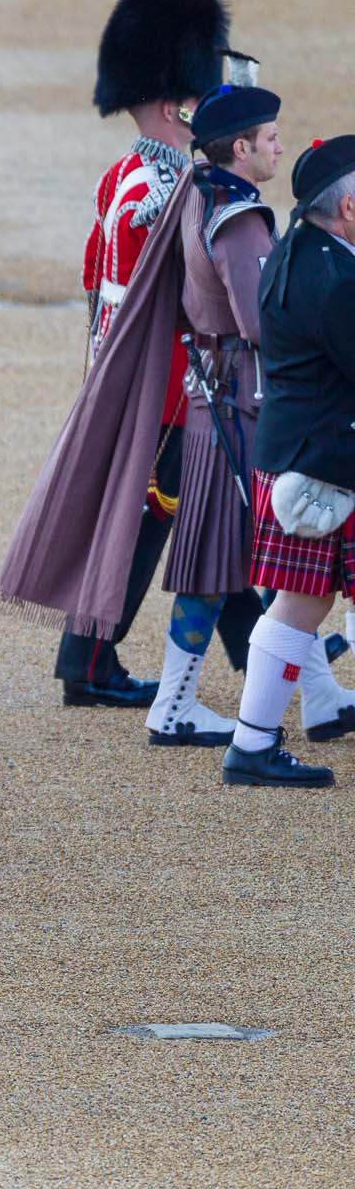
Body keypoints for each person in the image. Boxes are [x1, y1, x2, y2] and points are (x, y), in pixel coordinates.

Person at [147, 84, 355, 744]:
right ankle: (175, 706)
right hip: (237, 402)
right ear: (240, 148)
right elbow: (264, 323)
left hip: (237, 399)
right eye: (268, 137)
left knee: (293, 580)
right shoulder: (238, 219)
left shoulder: (208, 195)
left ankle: (317, 702)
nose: (277, 145)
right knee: (220, 566)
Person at [58, 0, 235, 710]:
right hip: (160, 384)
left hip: (140, 376)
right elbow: (157, 297)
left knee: (180, 519)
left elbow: (91, 276)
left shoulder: (124, 176)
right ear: (173, 104)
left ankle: (90, 658)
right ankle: (92, 663)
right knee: (149, 522)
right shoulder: (160, 191)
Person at [215, 136, 355, 789]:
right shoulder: (334, 279)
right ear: (348, 208)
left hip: (300, 452)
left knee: (301, 601)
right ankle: (250, 747)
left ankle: (251, 744)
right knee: (300, 602)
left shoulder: (295, 253)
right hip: (325, 465)